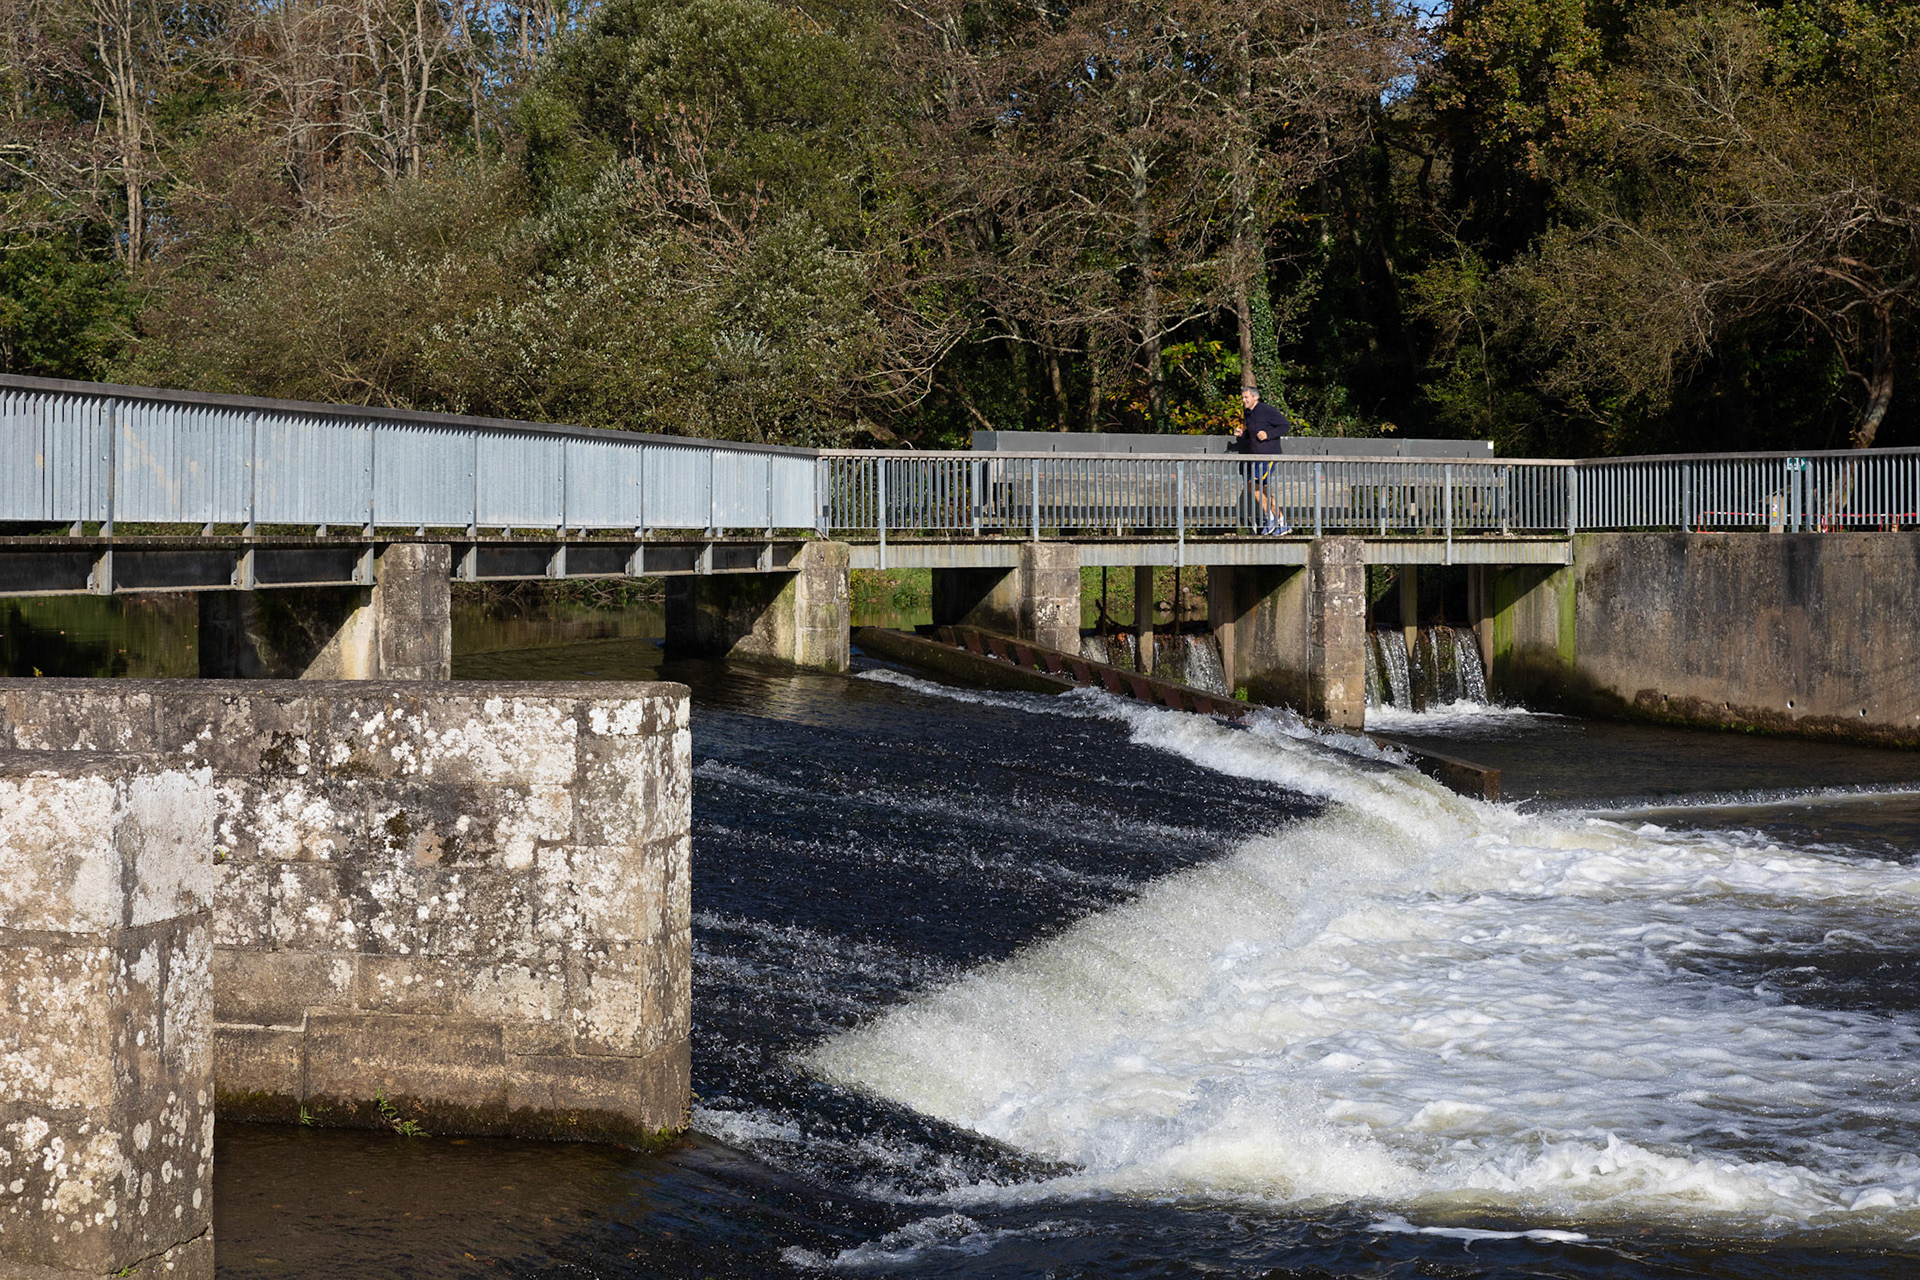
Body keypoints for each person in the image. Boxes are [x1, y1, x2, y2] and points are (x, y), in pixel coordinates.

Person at [1230, 384, 1292, 535]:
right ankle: (1282, 522)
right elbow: (1252, 435)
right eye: (1243, 397)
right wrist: (1242, 435)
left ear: (1255, 397)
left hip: (1268, 455)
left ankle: (1270, 519)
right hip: (1256, 457)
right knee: (1262, 489)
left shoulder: (1267, 410)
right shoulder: (1248, 413)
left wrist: (1268, 434)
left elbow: (1285, 425)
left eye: (1246, 397)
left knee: (1254, 486)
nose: (1243, 400)